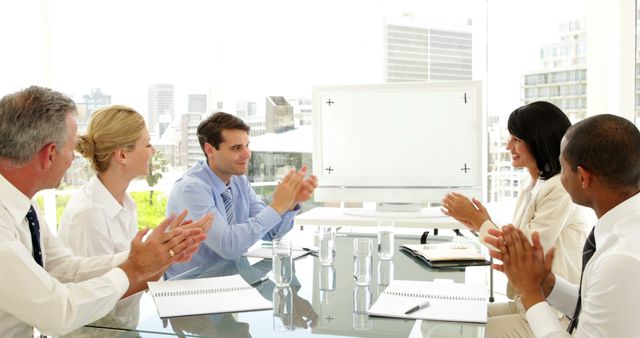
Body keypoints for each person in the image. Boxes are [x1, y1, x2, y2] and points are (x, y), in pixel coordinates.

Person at [0, 86, 211, 337]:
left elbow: (65, 269)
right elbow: (59, 312)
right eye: (70, 148)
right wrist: (134, 269)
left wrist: (152, 257)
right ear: (50, 154)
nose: (74, 158)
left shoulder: (25, 206)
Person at [441, 101, 593, 337]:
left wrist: (479, 220)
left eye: (516, 140)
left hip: (554, 313)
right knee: (443, 321)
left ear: (539, 141)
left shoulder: (559, 189)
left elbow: (526, 253)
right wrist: (478, 223)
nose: (508, 146)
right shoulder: (533, 187)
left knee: (451, 332)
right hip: (525, 301)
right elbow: (517, 241)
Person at [487, 114, 640, 337]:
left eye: (563, 166)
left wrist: (531, 292)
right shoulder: (621, 230)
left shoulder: (621, 259)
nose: (559, 176)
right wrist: (547, 284)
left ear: (583, 178)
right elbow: (593, 308)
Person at [165, 112, 317, 277]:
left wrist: (290, 203)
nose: (247, 154)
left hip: (231, 279)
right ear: (210, 150)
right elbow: (228, 246)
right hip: (192, 286)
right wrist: (277, 206)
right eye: (237, 148)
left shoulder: (239, 181)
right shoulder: (192, 189)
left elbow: (271, 233)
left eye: (247, 145)